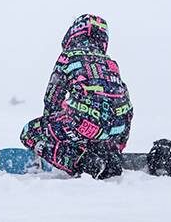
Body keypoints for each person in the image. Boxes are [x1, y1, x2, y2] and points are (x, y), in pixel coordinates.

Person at [19, 14, 146, 179]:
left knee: (29, 132)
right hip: (116, 129)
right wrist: (116, 146)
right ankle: (108, 157)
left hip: (84, 125)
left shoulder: (69, 56)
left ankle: (82, 162)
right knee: (80, 117)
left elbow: (52, 99)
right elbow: (124, 103)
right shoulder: (110, 63)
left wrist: (53, 139)